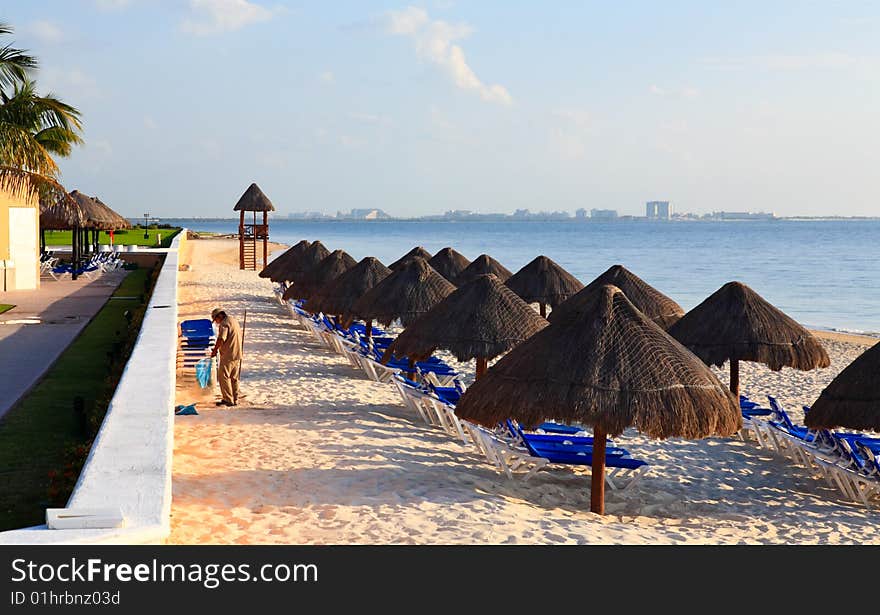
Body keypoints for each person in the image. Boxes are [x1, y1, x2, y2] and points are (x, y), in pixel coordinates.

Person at [210, 307, 243, 407]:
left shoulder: (224, 324)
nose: (216, 322)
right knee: (234, 377)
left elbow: (221, 339)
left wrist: (215, 350)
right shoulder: (233, 320)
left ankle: (228, 399)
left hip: (229, 354)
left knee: (223, 376)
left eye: (216, 320)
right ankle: (235, 398)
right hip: (237, 353)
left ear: (219, 316)